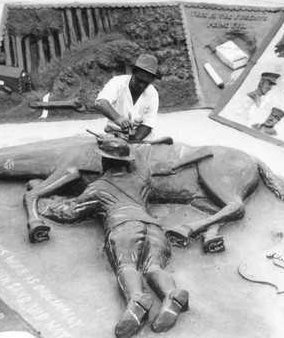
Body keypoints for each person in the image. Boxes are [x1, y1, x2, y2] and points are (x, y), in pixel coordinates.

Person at [44, 138, 192, 338]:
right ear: (127, 162)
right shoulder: (141, 180)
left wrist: (48, 204)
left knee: (127, 266)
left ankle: (136, 300)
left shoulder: (99, 186)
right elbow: (143, 166)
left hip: (123, 227)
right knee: (153, 267)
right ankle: (170, 294)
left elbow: (70, 212)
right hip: (155, 229)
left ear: (104, 161)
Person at [95, 53, 161, 142]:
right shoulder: (117, 82)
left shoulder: (152, 94)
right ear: (133, 72)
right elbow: (101, 102)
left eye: (146, 83)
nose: (141, 85)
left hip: (139, 137)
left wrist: (132, 140)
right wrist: (117, 118)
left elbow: (148, 124)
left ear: (151, 80)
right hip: (114, 134)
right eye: (139, 80)